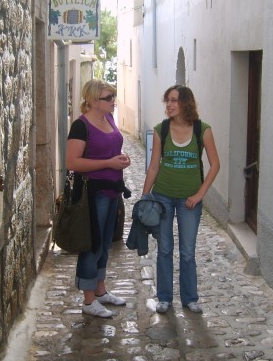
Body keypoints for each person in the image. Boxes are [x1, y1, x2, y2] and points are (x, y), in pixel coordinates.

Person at [142, 84, 220, 314]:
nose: (169, 104)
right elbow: (154, 166)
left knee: (187, 251)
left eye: (174, 100)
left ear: (186, 103)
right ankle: (164, 297)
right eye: (167, 100)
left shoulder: (202, 130)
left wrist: (199, 194)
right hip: (163, 197)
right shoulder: (161, 130)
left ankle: (190, 298)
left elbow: (215, 165)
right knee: (165, 249)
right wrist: (145, 196)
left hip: (190, 201)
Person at [66, 79, 132, 318]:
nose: (114, 101)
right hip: (92, 194)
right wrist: (108, 163)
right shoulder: (80, 126)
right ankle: (88, 300)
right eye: (108, 97)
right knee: (91, 244)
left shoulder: (109, 119)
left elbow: (111, 149)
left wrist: (121, 159)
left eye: (113, 96)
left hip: (112, 190)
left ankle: (101, 291)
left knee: (105, 243)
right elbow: (72, 162)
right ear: (93, 100)